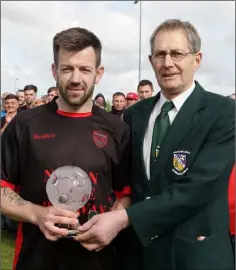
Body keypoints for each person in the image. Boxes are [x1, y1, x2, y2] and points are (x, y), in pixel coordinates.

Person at [75, 19, 235, 270]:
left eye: (177, 53)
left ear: (197, 59)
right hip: (140, 256)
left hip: (193, 256)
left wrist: (125, 218)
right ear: (151, 61)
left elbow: (198, 188)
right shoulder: (134, 115)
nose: (167, 63)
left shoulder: (224, 113)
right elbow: (126, 179)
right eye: (160, 54)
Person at [0, 27, 131, 270]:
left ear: (98, 73)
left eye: (85, 69)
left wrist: (114, 220)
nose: (75, 78)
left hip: (99, 261)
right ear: (54, 70)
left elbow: (127, 192)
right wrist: (36, 214)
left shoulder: (118, 130)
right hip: (35, 260)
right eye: (67, 68)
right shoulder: (24, 125)